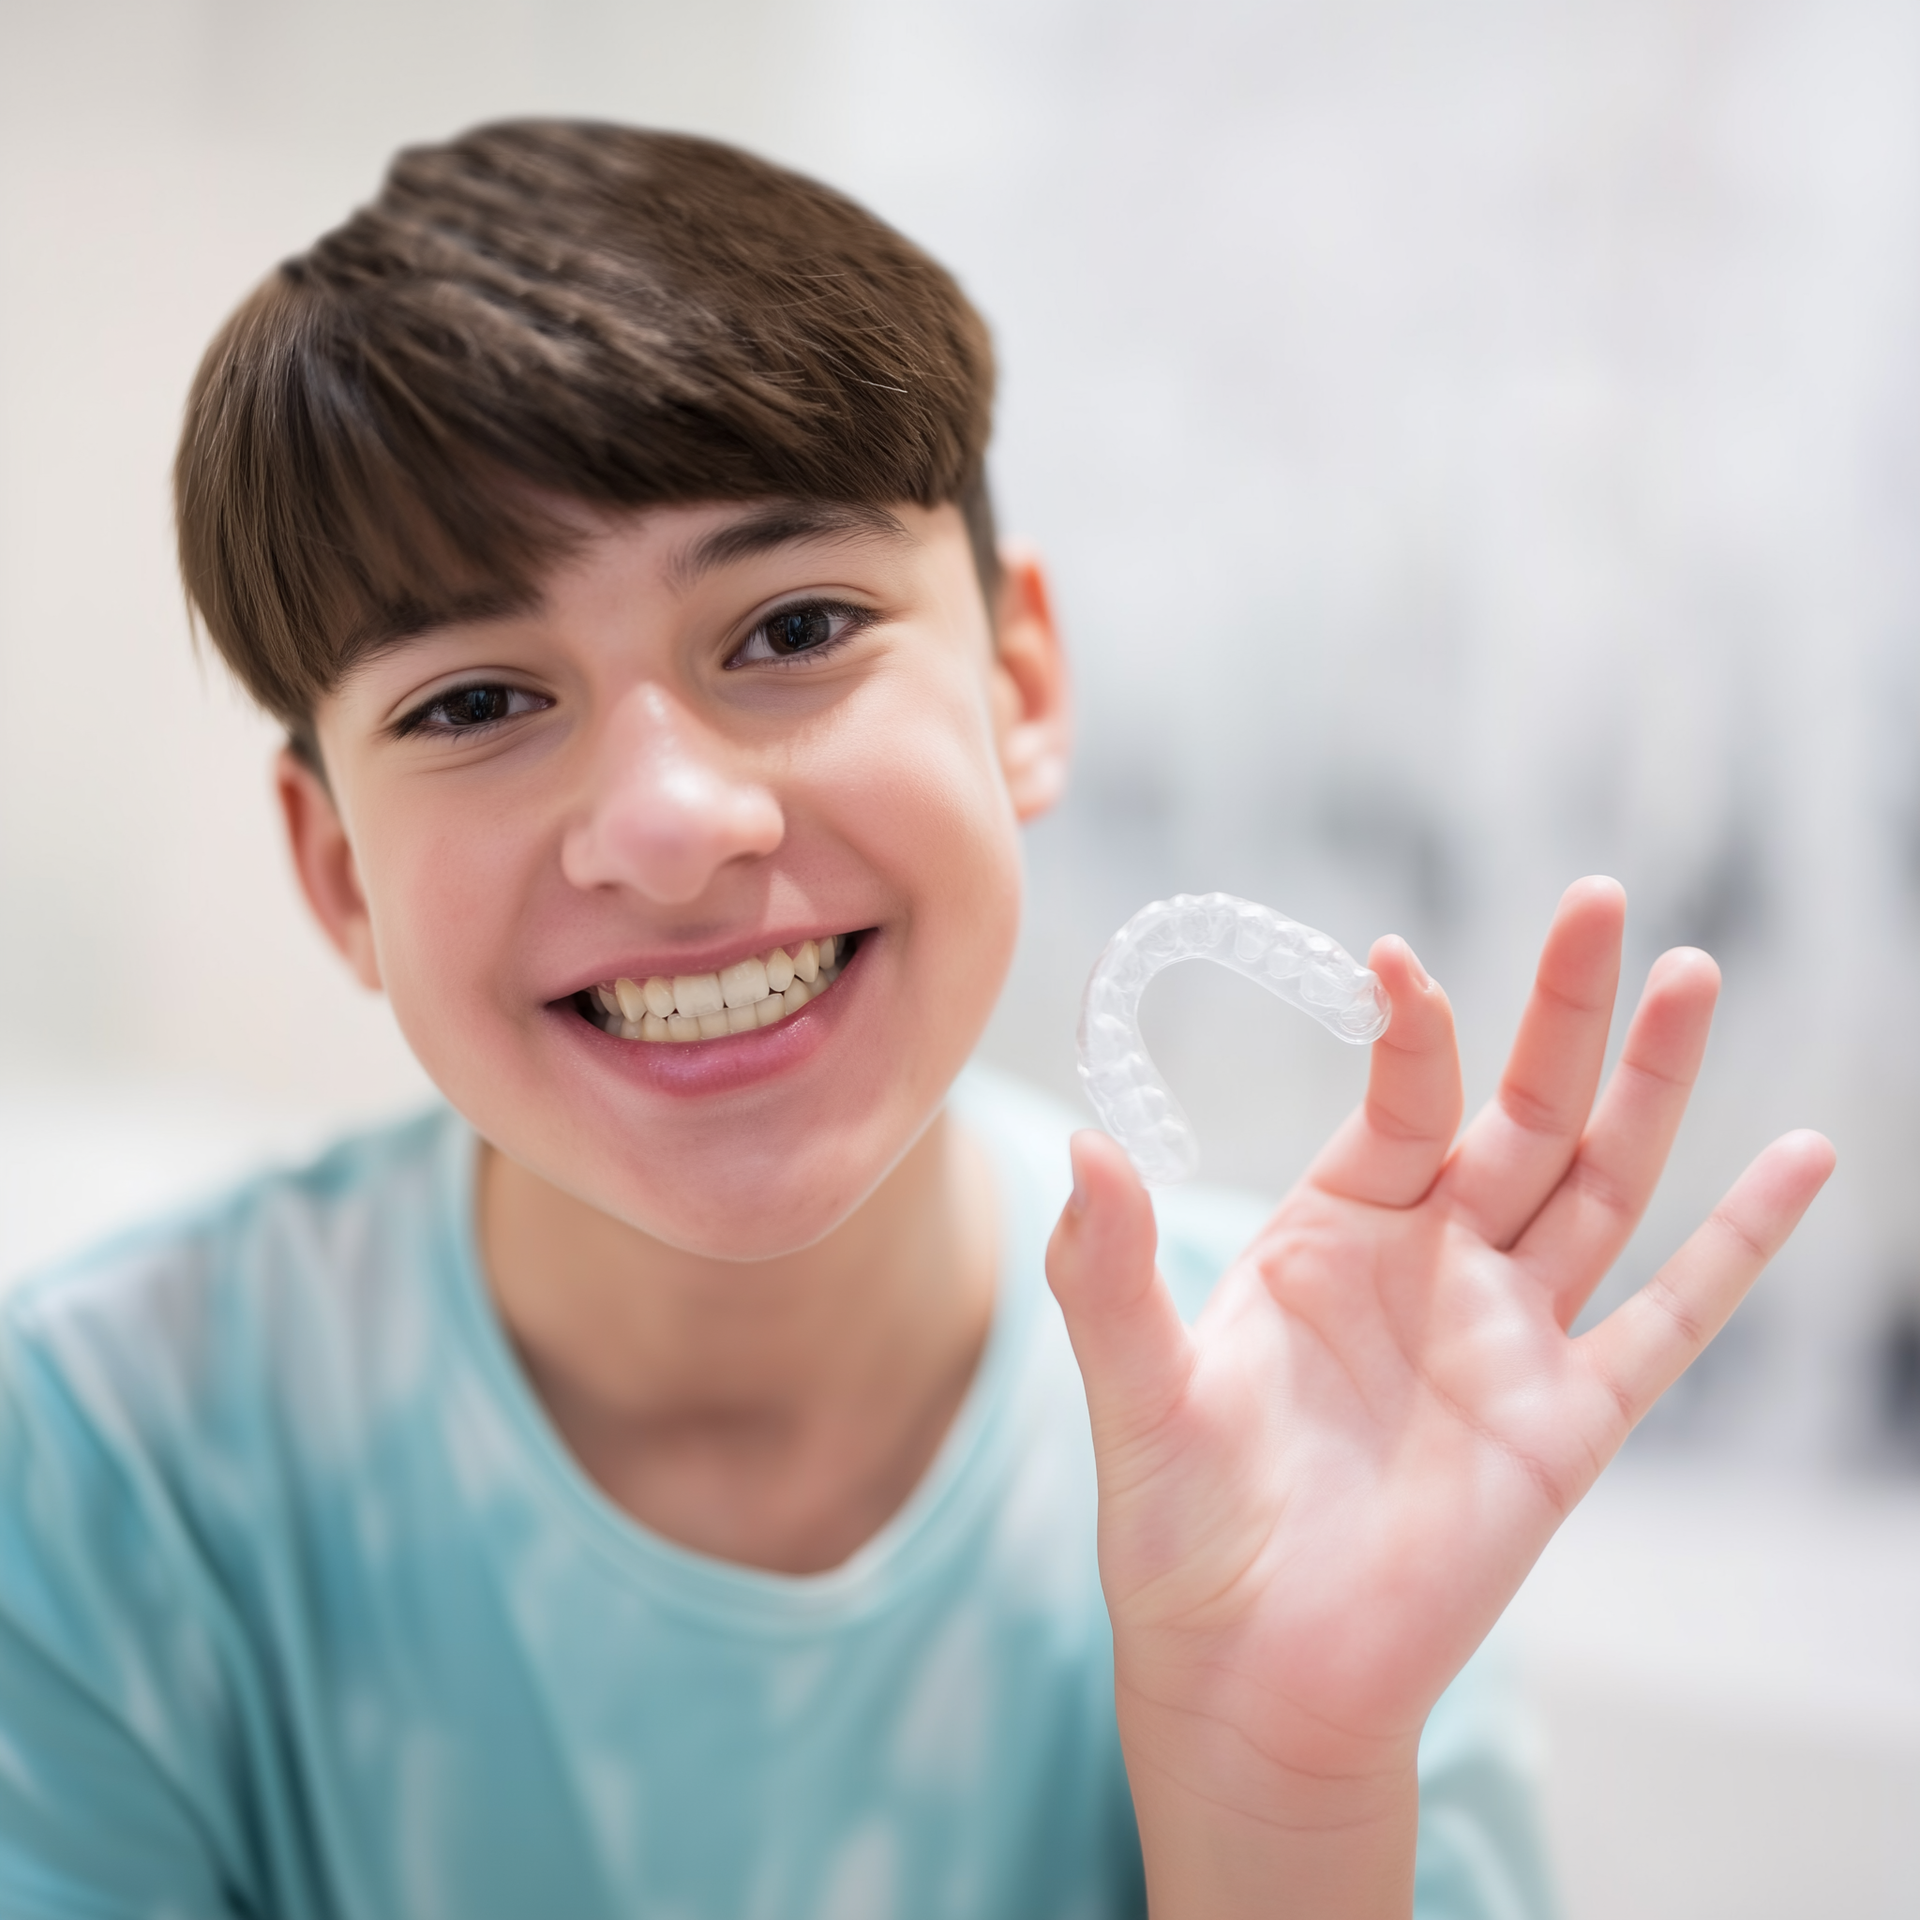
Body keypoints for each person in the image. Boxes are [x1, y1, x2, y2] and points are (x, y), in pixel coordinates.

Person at [0, 121, 1832, 1920]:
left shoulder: (1314, 1423)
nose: (672, 825)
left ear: (1019, 683)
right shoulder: (104, 1464)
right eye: (478, 698)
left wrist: (1283, 1794)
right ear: (337, 879)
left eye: (791, 630)